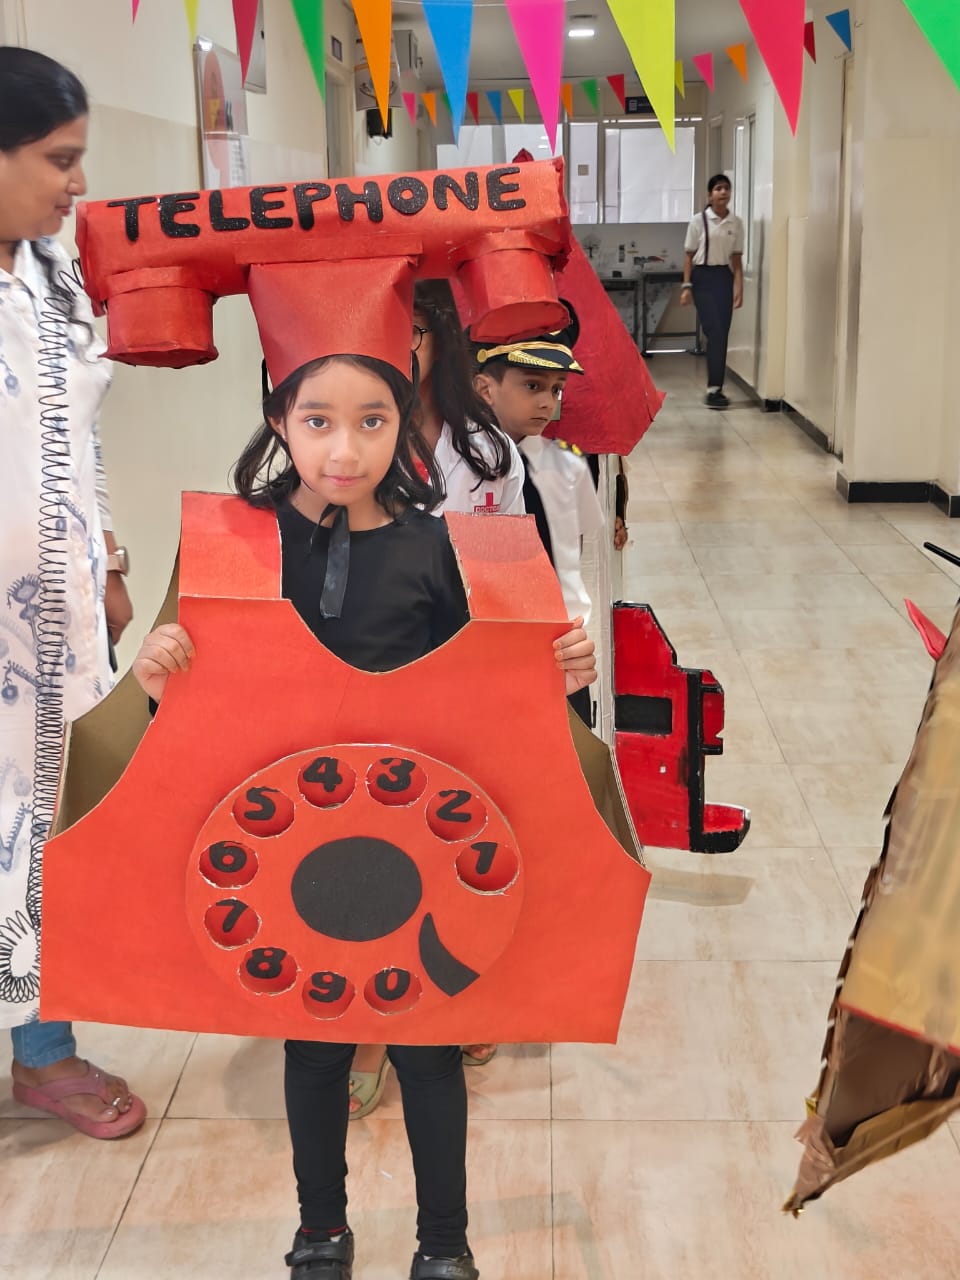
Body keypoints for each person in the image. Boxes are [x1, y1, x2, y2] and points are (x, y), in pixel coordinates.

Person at [132, 341, 597, 1280]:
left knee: (427, 1053)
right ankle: (320, 1231)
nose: (344, 449)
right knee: (314, 1052)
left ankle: (444, 1241)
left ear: (404, 428)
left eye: (372, 422)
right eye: (318, 423)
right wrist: (156, 674)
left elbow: (485, 695)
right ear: (279, 425)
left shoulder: (438, 545)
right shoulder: (237, 544)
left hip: (410, 839)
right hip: (294, 852)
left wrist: (555, 674)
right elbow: (187, 713)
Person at [0, 46, 143, 1138]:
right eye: (59, 159)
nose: (76, 184)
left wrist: (107, 555)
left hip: (54, 620)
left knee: (45, 831)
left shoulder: (47, 277)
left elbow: (70, 436)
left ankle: (42, 1054)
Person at [347, 280, 516, 1121]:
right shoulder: (346, 444)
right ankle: (375, 1025)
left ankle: (461, 995)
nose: (398, 348)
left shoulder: (486, 453)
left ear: (440, 340)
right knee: (378, 841)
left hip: (464, 676)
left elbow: (506, 580)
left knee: (458, 840)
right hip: (372, 677)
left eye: (411, 332)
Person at [680, 173, 744, 409]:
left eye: (726, 188)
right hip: (702, 277)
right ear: (710, 194)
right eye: (718, 188)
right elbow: (688, 256)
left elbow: (736, 259)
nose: (723, 192)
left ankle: (715, 389)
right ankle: (713, 388)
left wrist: (739, 288)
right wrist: (686, 286)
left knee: (722, 333)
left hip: (723, 278)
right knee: (714, 330)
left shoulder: (736, 223)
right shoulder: (699, 221)